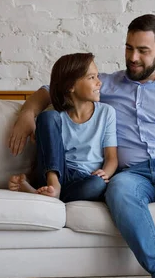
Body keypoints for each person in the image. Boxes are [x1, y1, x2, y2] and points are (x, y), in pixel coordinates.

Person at [7, 14, 155, 278]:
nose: (133, 57)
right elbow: (52, 88)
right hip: (132, 174)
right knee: (118, 190)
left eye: (142, 51)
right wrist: (28, 114)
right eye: (128, 48)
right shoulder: (105, 83)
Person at [8, 52, 118, 203]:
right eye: (92, 77)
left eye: (97, 76)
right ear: (71, 86)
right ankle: (53, 185)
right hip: (56, 172)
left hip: (85, 177)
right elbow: (46, 154)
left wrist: (106, 172)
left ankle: (46, 194)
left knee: (97, 185)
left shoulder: (107, 113)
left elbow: (112, 157)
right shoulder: (55, 115)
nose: (99, 82)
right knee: (47, 117)